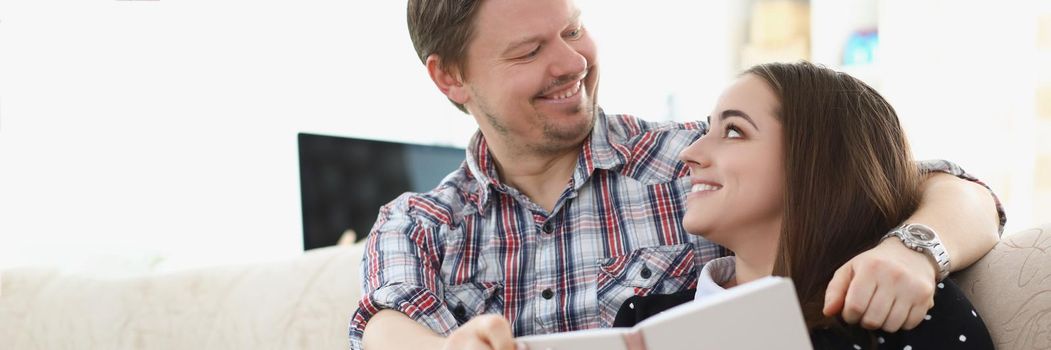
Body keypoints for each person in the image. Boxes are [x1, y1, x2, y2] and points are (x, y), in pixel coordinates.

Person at [351, 1, 1005, 349]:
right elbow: (383, 324)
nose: (570, 63)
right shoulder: (418, 226)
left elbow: (909, 179)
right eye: (528, 51)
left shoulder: (698, 163)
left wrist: (914, 249)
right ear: (450, 77)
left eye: (572, 29)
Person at [617, 61, 994, 349]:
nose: (690, 152)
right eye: (706, 130)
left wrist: (914, 251)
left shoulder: (903, 307)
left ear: (817, 164)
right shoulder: (643, 323)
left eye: (734, 131)